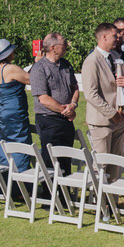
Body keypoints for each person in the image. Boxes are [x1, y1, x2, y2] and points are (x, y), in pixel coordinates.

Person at [28, 32, 78, 173]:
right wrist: (66, 111)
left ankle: (65, 193)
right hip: (49, 120)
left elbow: (75, 87)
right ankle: (49, 192)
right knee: (51, 160)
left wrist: (73, 105)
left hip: (66, 120)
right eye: (64, 43)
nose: (67, 46)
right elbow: (43, 98)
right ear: (53, 48)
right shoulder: (39, 68)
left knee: (66, 159)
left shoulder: (66, 65)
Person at [0, 38, 33, 191]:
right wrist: (39, 63)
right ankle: (22, 188)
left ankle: (1, 186)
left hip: (4, 112)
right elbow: (30, 79)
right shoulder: (11, 68)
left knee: (5, 145)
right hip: (16, 112)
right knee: (20, 145)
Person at [81, 23, 124, 158]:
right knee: (101, 164)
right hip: (102, 122)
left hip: (119, 120)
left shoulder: (113, 57)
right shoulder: (92, 61)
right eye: (115, 35)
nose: (118, 38)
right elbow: (91, 94)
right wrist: (112, 113)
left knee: (116, 163)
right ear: (104, 37)